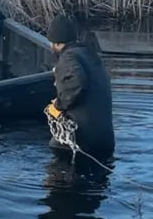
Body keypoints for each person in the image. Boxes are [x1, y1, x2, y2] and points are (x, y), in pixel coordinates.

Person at [46, 14, 115, 159]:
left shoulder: (68, 57)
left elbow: (76, 84)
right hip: (106, 139)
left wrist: (58, 106)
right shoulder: (90, 54)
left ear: (57, 43)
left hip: (83, 142)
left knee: (54, 147)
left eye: (51, 42)